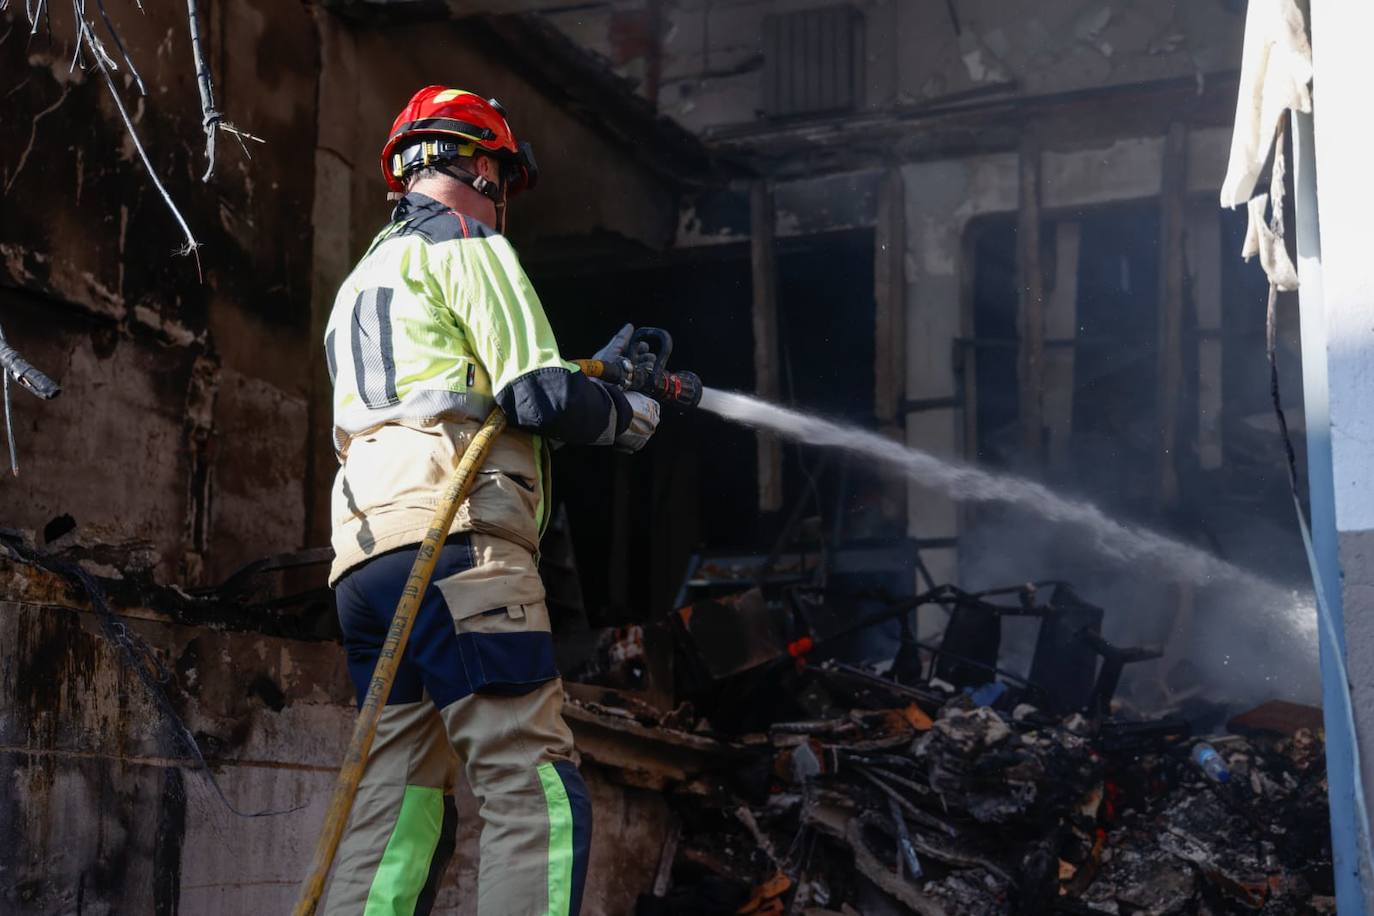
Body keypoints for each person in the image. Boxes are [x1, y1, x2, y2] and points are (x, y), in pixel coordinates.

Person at [319, 85, 659, 915]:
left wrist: (585, 375)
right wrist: (627, 414)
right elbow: (538, 398)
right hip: (459, 543)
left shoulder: (363, 282)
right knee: (534, 792)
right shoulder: (470, 246)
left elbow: (468, 388)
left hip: (367, 564)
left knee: (397, 800)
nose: (503, 198)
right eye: (501, 176)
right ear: (478, 164)